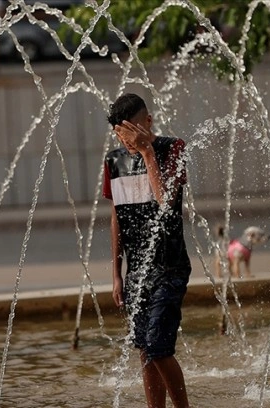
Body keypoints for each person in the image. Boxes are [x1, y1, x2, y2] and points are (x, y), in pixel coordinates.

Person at [103, 93, 191, 408]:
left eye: (132, 132)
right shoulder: (114, 162)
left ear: (148, 122)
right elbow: (117, 217)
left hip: (169, 266)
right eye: (120, 135)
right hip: (136, 271)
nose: (127, 141)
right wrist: (116, 274)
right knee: (144, 347)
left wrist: (148, 153)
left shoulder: (173, 149)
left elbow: (166, 203)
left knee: (158, 346)